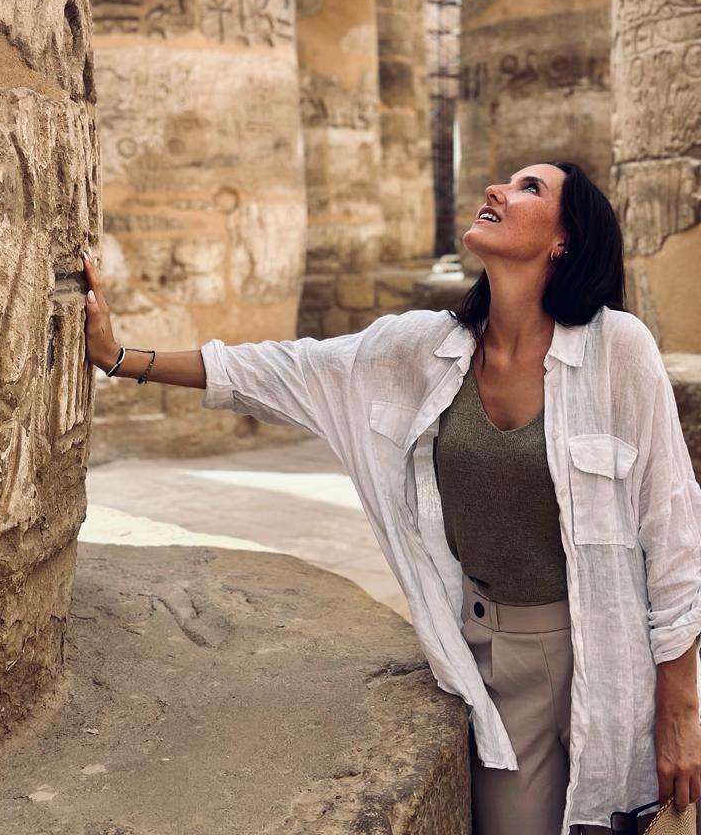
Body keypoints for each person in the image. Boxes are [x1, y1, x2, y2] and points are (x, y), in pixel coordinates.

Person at [81, 160, 701, 835]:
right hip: (489, 657)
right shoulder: (426, 348)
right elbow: (286, 370)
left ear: (564, 241)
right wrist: (120, 357)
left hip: (609, 654)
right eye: (507, 180)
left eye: (531, 188)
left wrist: (680, 705)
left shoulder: (619, 349)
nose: (497, 189)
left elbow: (671, 524)